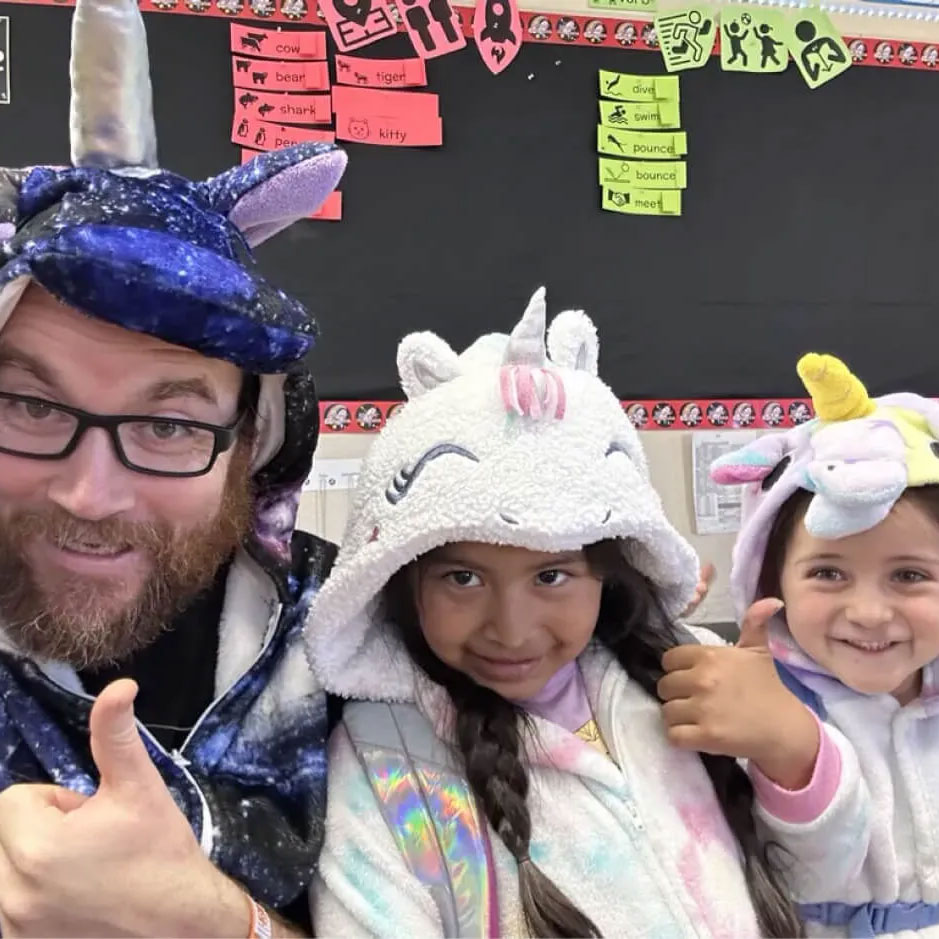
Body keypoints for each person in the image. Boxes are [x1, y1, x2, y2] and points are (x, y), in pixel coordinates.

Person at [0, 0, 347, 933]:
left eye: (169, 425)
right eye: (27, 406)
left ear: (255, 438)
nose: (90, 493)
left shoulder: (365, 632)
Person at [305, 288, 802, 937]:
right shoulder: (384, 764)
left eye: (551, 574)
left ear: (609, 569)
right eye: (461, 577)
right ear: (401, 580)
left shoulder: (691, 675)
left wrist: (794, 750)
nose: (511, 629)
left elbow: (845, 890)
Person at [677, 352, 939, 937]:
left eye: (910, 576)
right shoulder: (760, 693)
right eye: (828, 574)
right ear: (774, 581)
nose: (869, 613)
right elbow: (802, 874)